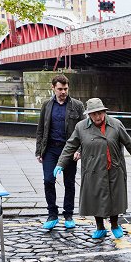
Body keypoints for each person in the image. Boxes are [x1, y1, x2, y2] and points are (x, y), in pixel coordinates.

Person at [55, 98, 131, 239]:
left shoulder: (116, 124)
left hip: (114, 168)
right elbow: (70, 146)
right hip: (93, 170)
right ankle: (100, 227)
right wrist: (61, 163)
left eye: (100, 113)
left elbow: (129, 143)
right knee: (95, 199)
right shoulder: (81, 127)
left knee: (115, 199)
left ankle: (115, 225)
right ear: (89, 115)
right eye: (94, 114)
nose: (98, 117)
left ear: (104, 112)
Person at [35, 74, 85, 231]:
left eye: (65, 89)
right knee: (48, 180)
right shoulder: (46, 105)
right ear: (53, 88)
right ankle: (52, 214)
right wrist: (39, 151)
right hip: (50, 149)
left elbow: (84, 130)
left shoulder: (77, 105)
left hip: (69, 150)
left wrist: (79, 149)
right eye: (60, 89)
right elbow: (40, 129)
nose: (63, 92)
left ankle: (68, 214)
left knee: (69, 183)